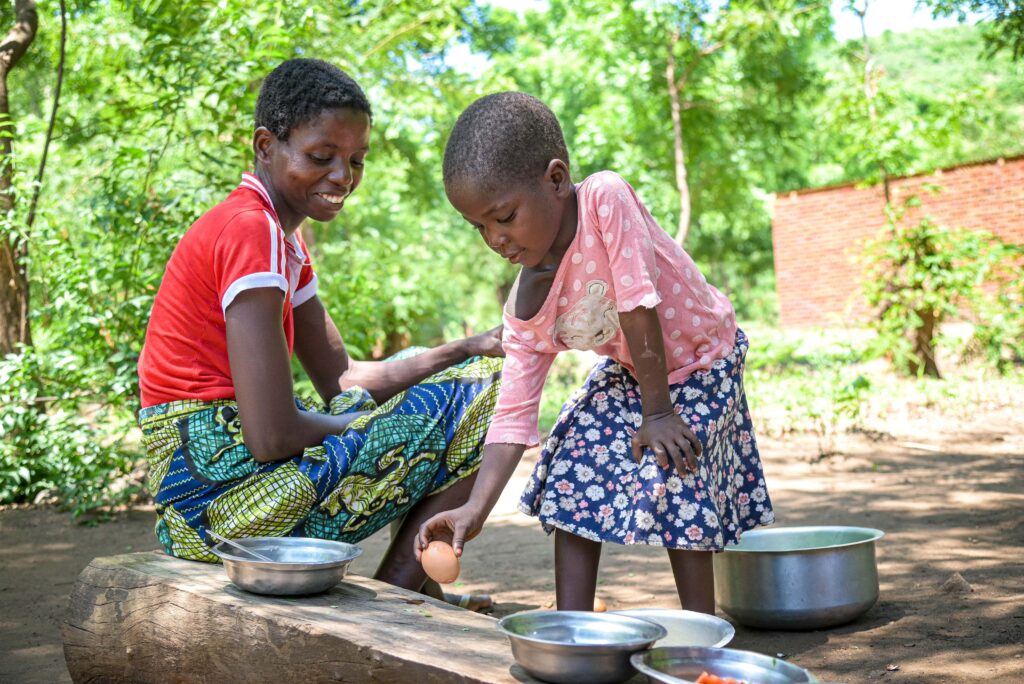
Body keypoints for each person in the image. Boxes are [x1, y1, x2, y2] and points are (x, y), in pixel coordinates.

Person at [136, 58, 502, 608]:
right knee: (489, 394)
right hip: (222, 503)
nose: (343, 176)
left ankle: (415, 587)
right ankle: (403, 595)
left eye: (356, 160)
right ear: (265, 146)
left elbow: (344, 378)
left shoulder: (282, 241)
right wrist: (378, 422)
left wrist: (465, 348)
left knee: (464, 370)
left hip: (222, 493)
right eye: (320, 157)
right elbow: (272, 437)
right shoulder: (249, 231)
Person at [416, 92, 774, 614]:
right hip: (638, 368)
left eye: (505, 216)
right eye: (479, 227)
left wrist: (658, 414)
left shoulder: (604, 198)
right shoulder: (526, 307)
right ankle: (573, 628)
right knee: (572, 460)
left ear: (556, 180)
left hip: (702, 356)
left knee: (677, 464)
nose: (495, 238)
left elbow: (635, 303)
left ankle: (702, 636)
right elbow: (514, 416)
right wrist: (476, 507)